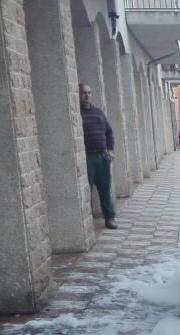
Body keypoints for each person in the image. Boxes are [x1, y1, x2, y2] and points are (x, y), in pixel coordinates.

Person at [79, 82, 118, 229]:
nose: (87, 95)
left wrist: (110, 150)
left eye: (89, 93)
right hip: (87, 158)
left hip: (102, 157)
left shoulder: (98, 113)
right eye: (83, 93)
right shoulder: (77, 114)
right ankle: (87, 222)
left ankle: (109, 218)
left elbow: (109, 132)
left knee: (105, 189)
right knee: (86, 190)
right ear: (78, 95)